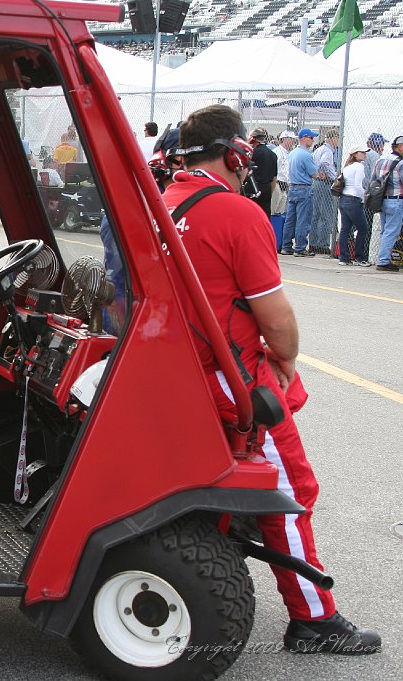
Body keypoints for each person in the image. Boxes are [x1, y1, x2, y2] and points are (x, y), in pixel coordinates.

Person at [163, 104, 380, 656]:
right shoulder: (236, 214)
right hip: (231, 378)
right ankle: (313, 618)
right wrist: (284, 357)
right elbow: (274, 316)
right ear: (235, 152)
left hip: (177, 372)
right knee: (289, 490)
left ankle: (214, 562)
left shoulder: (163, 204)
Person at [282, 129, 323, 256]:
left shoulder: (293, 153)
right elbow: (314, 173)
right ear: (304, 138)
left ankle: (286, 246)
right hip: (304, 188)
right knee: (303, 219)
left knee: (290, 219)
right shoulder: (306, 155)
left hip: (293, 187)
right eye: (311, 138)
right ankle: (300, 248)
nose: (312, 140)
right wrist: (321, 175)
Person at [336, 145, 372, 266]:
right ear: (355, 154)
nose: (365, 155)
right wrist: (364, 196)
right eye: (362, 153)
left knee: (345, 229)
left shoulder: (347, 166)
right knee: (363, 228)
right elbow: (358, 185)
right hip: (353, 199)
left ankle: (344, 257)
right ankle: (359, 257)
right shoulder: (359, 166)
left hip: (344, 198)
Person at [372, 135, 403, 273]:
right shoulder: (400, 163)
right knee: (391, 232)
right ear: (401, 147)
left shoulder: (380, 161)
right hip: (396, 199)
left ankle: (383, 259)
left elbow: (373, 181)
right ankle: (383, 261)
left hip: (382, 199)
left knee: (385, 231)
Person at [311, 130, 339, 254]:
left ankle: (313, 243)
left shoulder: (319, 149)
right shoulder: (328, 151)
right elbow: (324, 163)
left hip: (317, 183)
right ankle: (322, 244)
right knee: (326, 215)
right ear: (333, 138)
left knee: (316, 215)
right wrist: (334, 177)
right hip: (325, 183)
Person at [248, 127, 277, 215]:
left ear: (253, 139)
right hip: (267, 188)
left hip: (253, 188)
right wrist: (270, 191)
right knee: (265, 214)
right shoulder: (273, 154)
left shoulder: (252, 153)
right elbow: (274, 177)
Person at [272, 130, 296, 214]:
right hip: (277, 182)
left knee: (281, 206)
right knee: (274, 204)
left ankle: (277, 224)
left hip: (285, 183)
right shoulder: (277, 151)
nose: (293, 141)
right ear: (284, 139)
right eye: (291, 139)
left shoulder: (288, 153)